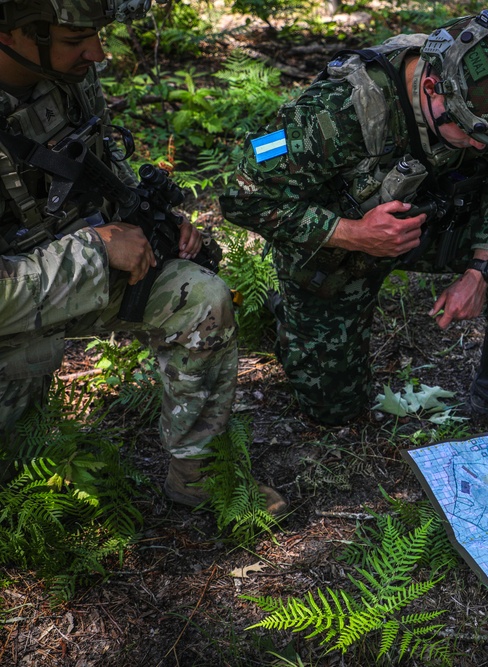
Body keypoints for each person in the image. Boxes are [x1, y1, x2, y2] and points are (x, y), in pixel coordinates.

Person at [220, 10, 488, 426]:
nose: (483, 148)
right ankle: (287, 317)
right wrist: (354, 234)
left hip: (425, 224)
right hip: (335, 253)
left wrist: (480, 271)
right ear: (431, 88)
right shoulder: (335, 113)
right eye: (472, 136)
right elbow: (240, 192)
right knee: (334, 413)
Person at [0, 0, 286, 514]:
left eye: (98, 35)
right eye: (73, 40)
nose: (98, 53)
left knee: (202, 299)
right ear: (13, 32)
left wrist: (150, 217)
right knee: (17, 485)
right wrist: (96, 249)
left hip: (71, 266)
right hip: (19, 298)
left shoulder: (68, 77)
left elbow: (98, 162)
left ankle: (201, 477)